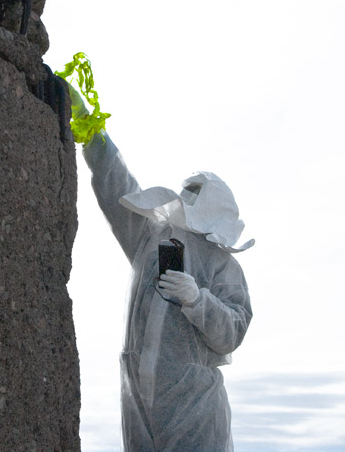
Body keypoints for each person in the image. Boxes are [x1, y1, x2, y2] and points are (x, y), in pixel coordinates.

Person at [71, 86, 253, 452]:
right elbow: (118, 189)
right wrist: (93, 134)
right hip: (139, 401)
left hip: (197, 411)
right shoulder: (151, 238)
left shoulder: (222, 263)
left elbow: (232, 331)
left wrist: (197, 300)